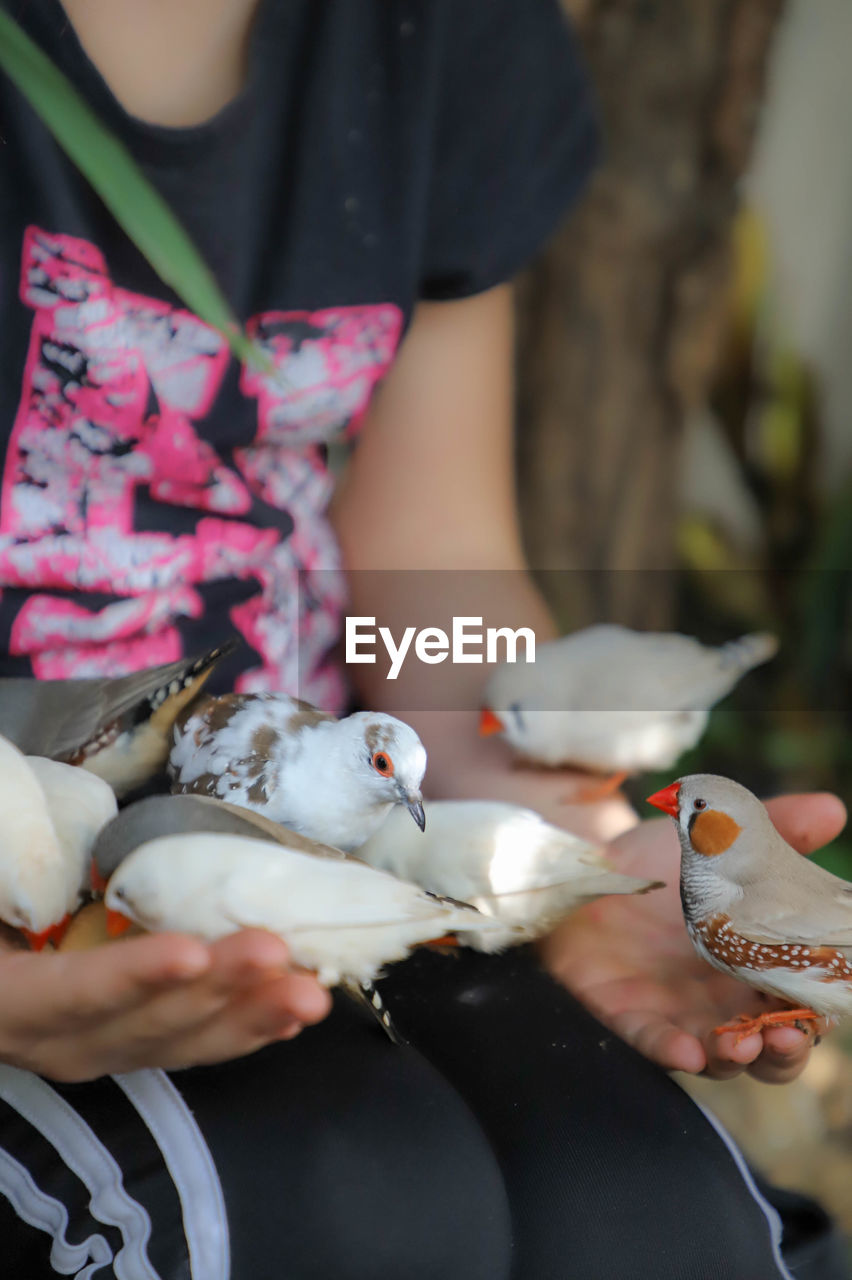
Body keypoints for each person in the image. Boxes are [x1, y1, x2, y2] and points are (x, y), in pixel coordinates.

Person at [0, 1, 847, 1277]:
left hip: (323, 869)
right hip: (43, 916)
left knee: (650, 1216)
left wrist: (568, 862)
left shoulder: (446, 31)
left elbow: (436, 580)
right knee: (355, 1209)